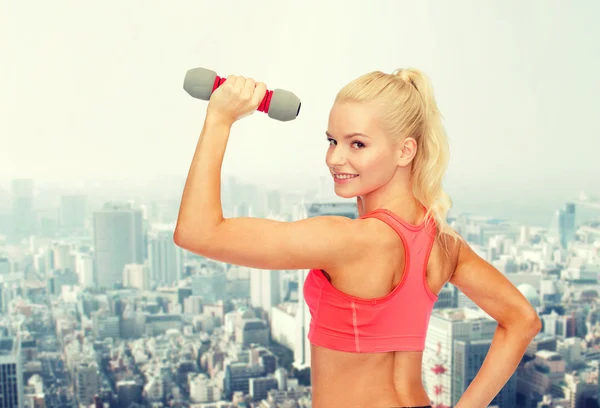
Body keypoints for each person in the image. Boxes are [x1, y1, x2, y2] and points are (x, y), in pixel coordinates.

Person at [174, 68, 542, 408]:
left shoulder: (349, 241)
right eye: (332, 141)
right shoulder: (444, 242)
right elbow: (522, 320)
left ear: (405, 150)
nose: (335, 158)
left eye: (357, 144)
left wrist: (220, 118)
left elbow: (197, 232)